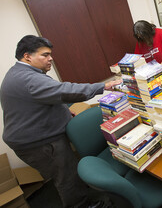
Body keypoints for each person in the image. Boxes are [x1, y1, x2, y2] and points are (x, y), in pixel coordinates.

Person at [1, 35, 121, 208]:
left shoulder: (20, 73)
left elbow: (43, 98)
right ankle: (81, 205)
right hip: (39, 143)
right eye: (45, 55)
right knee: (66, 177)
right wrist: (104, 86)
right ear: (27, 56)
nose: (50, 58)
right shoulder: (28, 78)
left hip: (35, 137)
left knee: (67, 173)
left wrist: (64, 111)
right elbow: (64, 91)